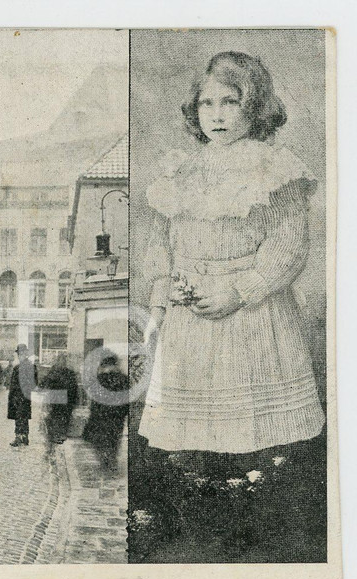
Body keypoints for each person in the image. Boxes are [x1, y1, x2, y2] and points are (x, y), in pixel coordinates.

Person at [139, 51, 325, 460]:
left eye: (230, 102)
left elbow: (289, 247)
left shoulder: (275, 168)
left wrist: (238, 293)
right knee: (190, 446)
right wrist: (158, 305)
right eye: (208, 103)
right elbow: (162, 245)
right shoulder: (181, 172)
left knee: (253, 439)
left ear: (254, 106)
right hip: (189, 317)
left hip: (252, 316)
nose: (217, 115)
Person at [83, 352, 130, 468]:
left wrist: (93, 412)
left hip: (102, 415)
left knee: (101, 438)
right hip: (117, 416)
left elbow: (94, 398)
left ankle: (105, 459)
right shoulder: (124, 379)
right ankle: (111, 458)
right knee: (114, 438)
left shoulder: (100, 379)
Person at [40, 354, 79, 446]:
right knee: (62, 417)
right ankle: (60, 435)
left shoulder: (55, 371)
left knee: (58, 417)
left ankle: (57, 435)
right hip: (64, 399)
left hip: (59, 399)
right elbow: (74, 387)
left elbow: (44, 383)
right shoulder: (68, 372)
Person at [7, 343, 38, 447]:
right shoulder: (32, 366)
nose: (19, 356)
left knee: (19, 417)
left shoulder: (18, 368)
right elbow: (34, 384)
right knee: (23, 416)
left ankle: (19, 438)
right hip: (26, 396)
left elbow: (14, 384)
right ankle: (25, 437)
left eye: (19, 354)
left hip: (17, 396)